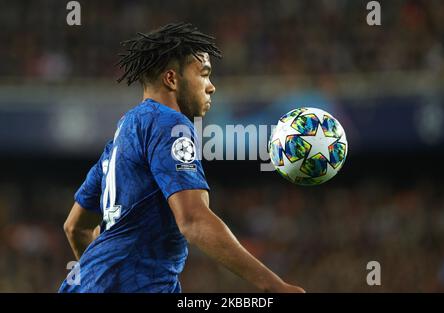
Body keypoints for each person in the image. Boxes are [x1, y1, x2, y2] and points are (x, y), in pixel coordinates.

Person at [59, 22, 304, 293]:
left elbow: (76, 228)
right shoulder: (169, 123)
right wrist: (274, 286)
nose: (211, 87)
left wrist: (101, 279)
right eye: (204, 74)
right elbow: (192, 219)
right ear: (172, 79)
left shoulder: (122, 136)